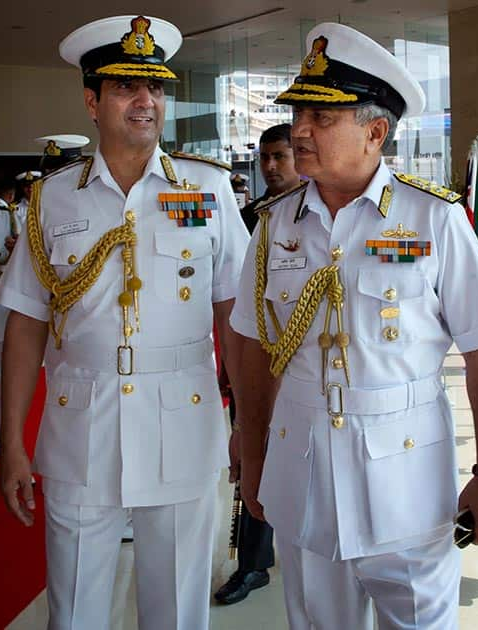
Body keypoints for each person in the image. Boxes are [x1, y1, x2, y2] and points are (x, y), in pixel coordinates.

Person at [229, 23, 478, 629]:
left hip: (407, 483)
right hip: (302, 472)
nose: (300, 130)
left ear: (375, 132)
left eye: (322, 117)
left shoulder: (433, 218)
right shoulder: (274, 224)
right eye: (299, 114)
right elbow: (253, 348)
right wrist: (250, 450)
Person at [0, 14, 250, 630]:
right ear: (92, 100)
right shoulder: (52, 199)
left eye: (156, 87)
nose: (146, 101)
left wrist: (248, 425)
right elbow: (25, 324)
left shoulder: (208, 189)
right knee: (75, 609)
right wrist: (10, 443)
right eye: (125, 88)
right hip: (82, 427)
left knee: (178, 613)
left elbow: (235, 317)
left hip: (183, 425)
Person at [214, 122, 299, 606]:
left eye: (280, 156)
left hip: (305, 369)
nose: (270, 167)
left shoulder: (323, 218)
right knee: (250, 455)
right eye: (265, 157)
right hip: (254, 364)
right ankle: (252, 563)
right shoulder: (249, 219)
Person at [0, 175, 21, 457]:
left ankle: (5, 448)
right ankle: (4, 449)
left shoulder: (10, 215)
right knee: (1, 379)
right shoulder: (0, 214)